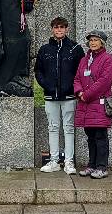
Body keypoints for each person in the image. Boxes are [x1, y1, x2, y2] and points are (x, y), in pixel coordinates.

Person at [34, 16, 85, 174]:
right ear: (52, 29)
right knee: (53, 128)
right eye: (56, 27)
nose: (59, 30)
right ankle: (54, 161)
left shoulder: (75, 48)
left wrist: (73, 88)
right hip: (50, 96)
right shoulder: (44, 49)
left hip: (69, 96)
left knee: (69, 128)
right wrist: (47, 85)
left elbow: (81, 72)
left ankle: (69, 162)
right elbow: (38, 71)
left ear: (67, 29)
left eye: (62, 27)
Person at [74, 29, 112, 179]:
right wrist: (79, 92)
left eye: (96, 40)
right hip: (85, 104)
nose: (93, 43)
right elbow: (77, 78)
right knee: (90, 136)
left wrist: (86, 94)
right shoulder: (84, 60)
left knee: (100, 136)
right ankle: (91, 165)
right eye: (91, 40)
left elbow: (104, 82)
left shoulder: (108, 59)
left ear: (102, 43)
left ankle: (102, 167)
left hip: (98, 103)